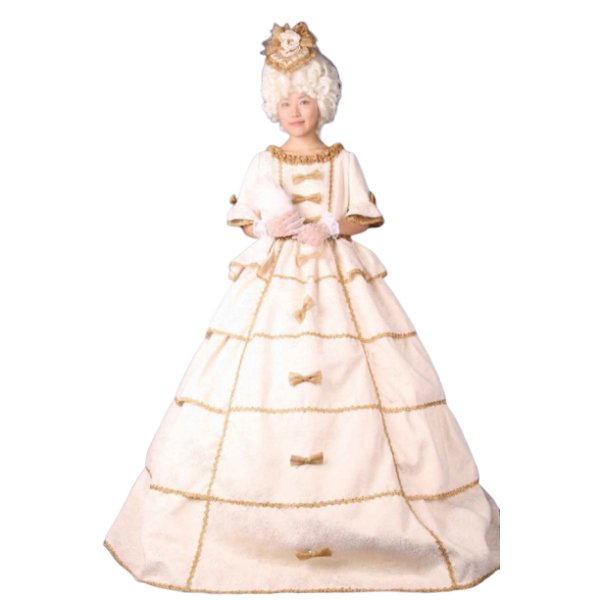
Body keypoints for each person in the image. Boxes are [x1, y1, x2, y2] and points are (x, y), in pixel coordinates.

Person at [102, 21, 500, 594]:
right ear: (273, 105)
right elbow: (246, 222)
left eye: (305, 99)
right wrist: (271, 225)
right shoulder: (263, 161)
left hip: (340, 281)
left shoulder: (344, 159)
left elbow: (364, 216)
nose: (295, 111)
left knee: (366, 381)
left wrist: (332, 226)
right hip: (273, 280)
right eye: (285, 100)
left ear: (324, 102)